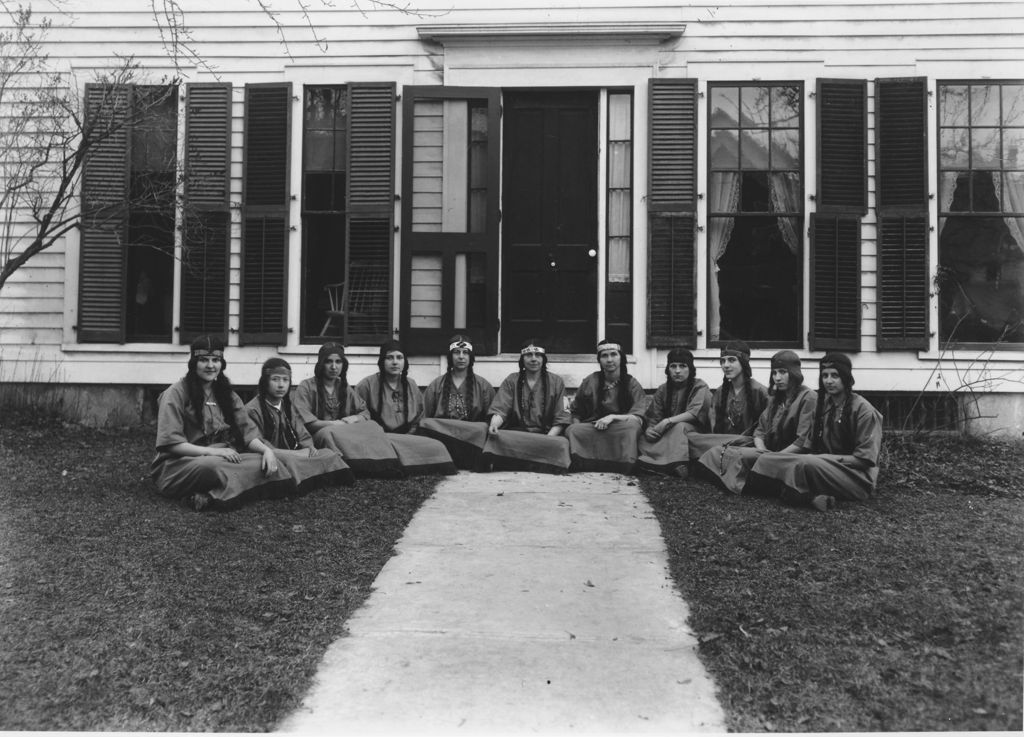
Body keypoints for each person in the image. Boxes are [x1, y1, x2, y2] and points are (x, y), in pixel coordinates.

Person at [150, 335, 294, 511]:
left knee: (265, 462)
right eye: (204, 360)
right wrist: (213, 452)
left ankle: (209, 496)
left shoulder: (227, 394)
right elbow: (172, 444)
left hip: (222, 457)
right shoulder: (175, 393)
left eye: (216, 360)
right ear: (193, 363)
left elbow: (248, 433)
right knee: (213, 466)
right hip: (181, 464)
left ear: (222, 364)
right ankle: (226, 491)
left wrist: (267, 451)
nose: (211, 366)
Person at [747, 352, 883, 512]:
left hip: (856, 477)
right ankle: (805, 496)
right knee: (770, 460)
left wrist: (824, 459)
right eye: (825, 376)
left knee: (803, 463)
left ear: (846, 378)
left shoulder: (864, 411)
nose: (829, 381)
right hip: (821, 467)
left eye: (835, 376)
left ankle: (796, 494)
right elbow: (809, 445)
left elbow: (865, 460)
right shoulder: (822, 406)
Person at [698, 350, 815, 494]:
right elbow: (759, 432)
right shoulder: (776, 398)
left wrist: (774, 457)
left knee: (742, 459)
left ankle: (755, 485)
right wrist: (762, 451)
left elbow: (802, 441)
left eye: (783, 372)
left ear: (795, 373)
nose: (777, 378)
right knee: (718, 451)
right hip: (768, 453)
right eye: (774, 373)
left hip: (789, 457)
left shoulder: (808, 397)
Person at [244, 357, 356, 491]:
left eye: (285, 380)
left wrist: (309, 446)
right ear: (265, 382)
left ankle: (308, 476)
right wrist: (294, 454)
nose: (281, 385)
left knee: (328, 453)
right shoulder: (252, 409)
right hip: (270, 454)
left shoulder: (288, 405)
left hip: (294, 453)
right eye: (275, 379)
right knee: (291, 461)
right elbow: (258, 442)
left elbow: (301, 430)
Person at [294, 342, 402, 478]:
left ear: (343, 365)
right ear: (321, 364)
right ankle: (351, 468)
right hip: (320, 436)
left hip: (342, 432)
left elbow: (365, 412)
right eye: (328, 362)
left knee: (373, 426)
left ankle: (385, 464)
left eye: (338, 362)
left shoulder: (344, 387)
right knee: (329, 433)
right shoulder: (306, 387)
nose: (334, 367)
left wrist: (354, 419)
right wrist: (334, 424)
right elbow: (305, 422)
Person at [356, 340, 456, 476]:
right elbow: (361, 418)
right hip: (379, 440)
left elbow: (419, 417)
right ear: (381, 361)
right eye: (389, 358)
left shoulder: (411, 385)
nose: (395, 362)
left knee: (437, 447)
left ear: (405, 361)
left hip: (407, 439)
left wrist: (409, 437)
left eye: (399, 357)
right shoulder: (366, 385)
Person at [481, 339, 573, 474]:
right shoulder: (512, 380)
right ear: (522, 359)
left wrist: (547, 440)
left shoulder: (556, 381)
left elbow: (562, 416)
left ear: (544, 359)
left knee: (562, 445)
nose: (534, 359)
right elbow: (501, 408)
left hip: (546, 435)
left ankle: (517, 461)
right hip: (518, 434)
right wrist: (494, 425)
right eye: (529, 355)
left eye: (538, 355)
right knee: (496, 438)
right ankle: (536, 460)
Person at [565, 339, 647, 473]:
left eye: (614, 354)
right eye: (604, 356)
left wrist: (613, 417)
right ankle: (585, 461)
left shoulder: (631, 383)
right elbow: (575, 411)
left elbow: (638, 417)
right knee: (573, 430)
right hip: (594, 426)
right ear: (599, 360)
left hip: (619, 427)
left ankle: (622, 463)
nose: (609, 360)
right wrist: (577, 426)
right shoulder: (590, 380)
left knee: (631, 428)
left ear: (621, 358)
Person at [418, 335, 495, 469]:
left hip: (472, 441)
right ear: (450, 356)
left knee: (483, 427)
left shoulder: (483, 386)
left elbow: (491, 418)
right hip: (444, 438)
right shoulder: (436, 385)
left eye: (465, 353)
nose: (461, 357)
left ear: (471, 357)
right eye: (456, 352)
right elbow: (426, 416)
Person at [685, 341, 769, 461]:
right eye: (722, 361)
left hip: (747, 444)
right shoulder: (720, 392)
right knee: (691, 439)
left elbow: (766, 429)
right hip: (722, 441)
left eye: (731, 360)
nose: (726, 365)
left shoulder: (760, 391)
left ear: (744, 362)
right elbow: (713, 429)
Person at [636, 347, 711, 478]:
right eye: (673, 366)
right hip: (668, 433)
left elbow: (694, 413)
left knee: (679, 427)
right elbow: (654, 416)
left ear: (690, 369)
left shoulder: (700, 386)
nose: (677, 371)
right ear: (668, 369)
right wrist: (649, 429)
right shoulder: (663, 389)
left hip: (692, 434)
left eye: (682, 366)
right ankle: (661, 464)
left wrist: (667, 421)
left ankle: (675, 463)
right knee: (641, 437)